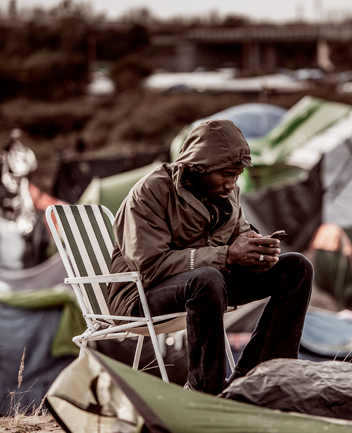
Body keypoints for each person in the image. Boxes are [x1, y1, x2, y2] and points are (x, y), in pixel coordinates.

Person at [107, 119, 313, 395]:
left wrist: (256, 252)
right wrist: (227, 256)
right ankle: (205, 392)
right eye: (226, 174)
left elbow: (237, 237)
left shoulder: (227, 193)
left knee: (296, 268)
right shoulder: (151, 192)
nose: (232, 184)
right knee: (207, 279)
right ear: (198, 166)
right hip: (141, 295)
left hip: (205, 287)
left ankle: (259, 380)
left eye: (237, 175)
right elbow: (151, 267)